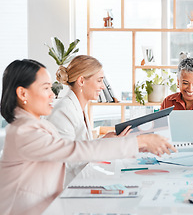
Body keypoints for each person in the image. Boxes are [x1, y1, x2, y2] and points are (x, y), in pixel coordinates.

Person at [0, 59, 176, 215]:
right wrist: (138, 141)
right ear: (23, 94)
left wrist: (116, 142)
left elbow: (72, 147)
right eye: (46, 88)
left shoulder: (33, 126)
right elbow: (72, 150)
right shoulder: (23, 132)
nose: (52, 94)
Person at [47, 55, 131, 185]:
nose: (103, 86)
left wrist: (105, 140)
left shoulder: (80, 107)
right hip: (65, 190)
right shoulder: (63, 112)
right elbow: (65, 161)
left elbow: (80, 148)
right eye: (99, 80)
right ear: (81, 81)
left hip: (81, 182)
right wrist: (104, 143)